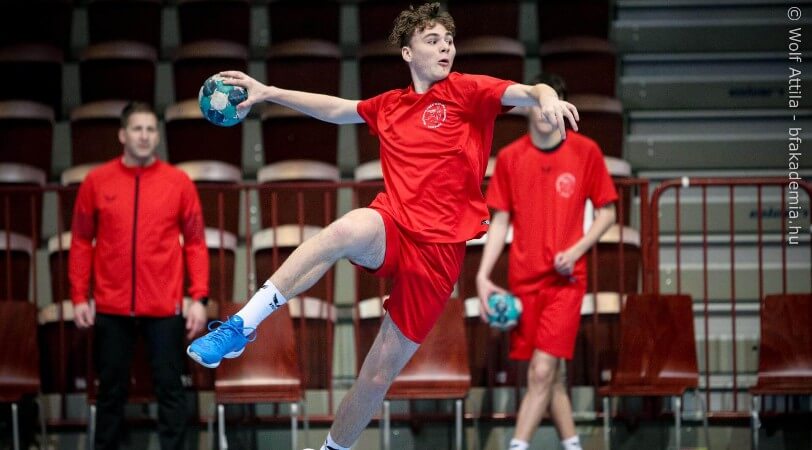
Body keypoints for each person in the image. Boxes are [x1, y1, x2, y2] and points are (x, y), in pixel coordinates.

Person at [187, 4, 579, 450]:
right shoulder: (390, 105)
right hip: (393, 224)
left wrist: (547, 97)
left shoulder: (468, 90)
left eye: (449, 40)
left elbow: (528, 91)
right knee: (345, 229)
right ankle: (241, 326)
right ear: (408, 53)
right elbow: (337, 109)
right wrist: (269, 92)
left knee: (376, 376)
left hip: (439, 255)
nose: (445, 47)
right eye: (433, 40)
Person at [476, 73, 618, 450]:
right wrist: (483, 274)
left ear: (563, 109)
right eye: (537, 103)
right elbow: (500, 220)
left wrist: (577, 250)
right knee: (549, 377)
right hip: (524, 282)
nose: (543, 111)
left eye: (551, 104)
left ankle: (517, 445)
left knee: (541, 371)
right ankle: (572, 444)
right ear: (526, 108)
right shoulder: (510, 158)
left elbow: (607, 212)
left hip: (565, 282)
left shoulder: (586, 152)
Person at [70, 101, 210, 450]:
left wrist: (199, 297)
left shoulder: (179, 183)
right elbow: (81, 241)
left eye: (150, 129)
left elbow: (195, 242)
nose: (144, 136)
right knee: (110, 393)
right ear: (122, 135)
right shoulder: (96, 182)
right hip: (111, 306)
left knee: (171, 391)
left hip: (164, 306)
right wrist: (78, 296)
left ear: (157, 136)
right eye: (137, 129)